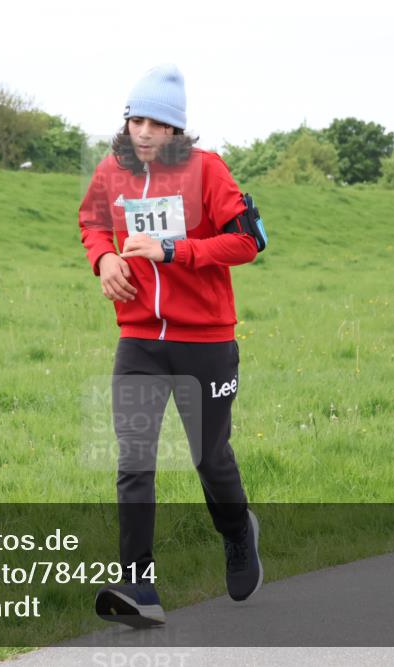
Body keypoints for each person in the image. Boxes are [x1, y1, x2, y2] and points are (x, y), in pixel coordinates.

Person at [79, 63, 266, 629]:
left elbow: (248, 241)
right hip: (139, 339)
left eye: (157, 124)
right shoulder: (111, 170)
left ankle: (237, 531)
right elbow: (91, 221)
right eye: (136, 120)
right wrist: (103, 258)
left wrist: (174, 251)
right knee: (134, 460)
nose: (143, 132)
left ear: (176, 129)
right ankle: (139, 586)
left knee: (210, 457)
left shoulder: (207, 170)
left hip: (204, 340)